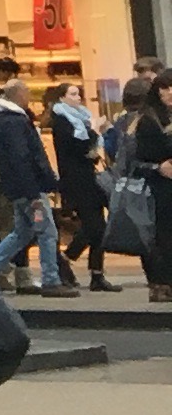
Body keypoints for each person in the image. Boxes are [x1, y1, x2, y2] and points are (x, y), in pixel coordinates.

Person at [0, 77, 70, 294]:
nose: (28, 96)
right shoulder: (15, 122)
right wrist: (34, 192)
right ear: (18, 95)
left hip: (17, 189)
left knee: (22, 232)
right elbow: (23, 158)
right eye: (26, 92)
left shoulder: (2, 121)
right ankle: (51, 280)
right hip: (30, 190)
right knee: (47, 231)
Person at [45, 80, 108, 291]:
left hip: (88, 178)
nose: (78, 97)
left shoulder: (81, 118)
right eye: (72, 94)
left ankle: (95, 273)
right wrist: (95, 131)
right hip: (76, 182)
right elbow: (77, 146)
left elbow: (85, 150)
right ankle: (70, 260)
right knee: (95, 227)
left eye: (78, 93)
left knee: (98, 227)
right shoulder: (62, 121)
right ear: (61, 98)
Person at [116, 67, 172, 301]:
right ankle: (161, 284)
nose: (170, 92)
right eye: (165, 88)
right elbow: (132, 162)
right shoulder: (148, 120)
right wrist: (157, 167)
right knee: (159, 236)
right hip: (156, 189)